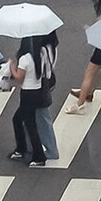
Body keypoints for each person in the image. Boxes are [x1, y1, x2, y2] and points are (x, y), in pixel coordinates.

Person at [8, 30, 48, 167]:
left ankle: (37, 156)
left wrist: (12, 68)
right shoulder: (41, 54)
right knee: (19, 119)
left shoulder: (25, 58)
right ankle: (21, 148)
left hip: (27, 94)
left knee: (29, 124)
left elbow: (19, 78)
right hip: (37, 91)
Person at [26, 33, 60, 161]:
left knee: (42, 117)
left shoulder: (41, 51)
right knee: (34, 116)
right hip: (47, 83)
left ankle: (51, 150)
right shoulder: (52, 47)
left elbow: (38, 71)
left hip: (39, 86)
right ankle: (31, 146)